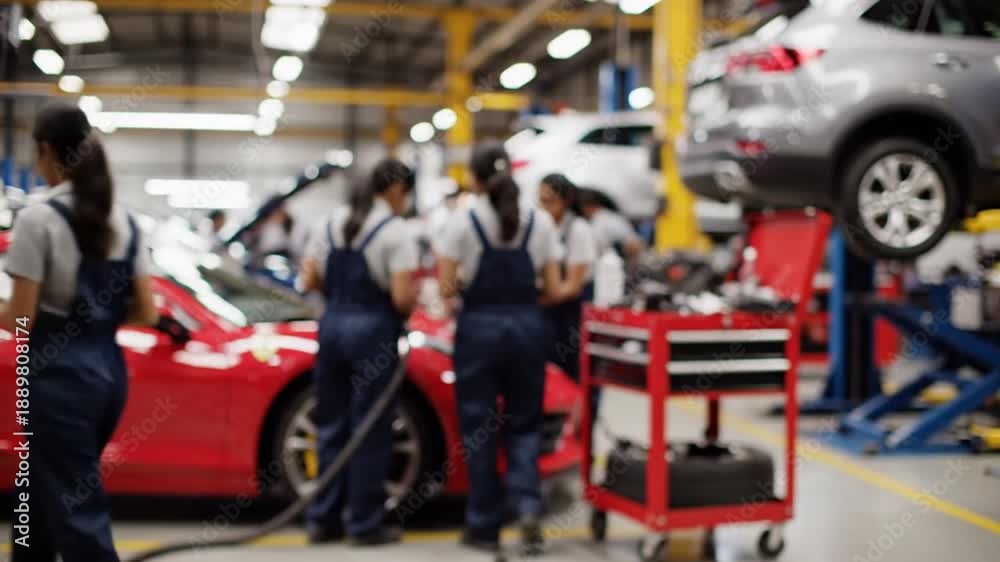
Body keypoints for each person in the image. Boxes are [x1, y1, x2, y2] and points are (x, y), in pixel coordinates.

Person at [2, 104, 159, 562]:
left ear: (46, 150)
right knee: (36, 491)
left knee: (75, 509)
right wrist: (94, 319)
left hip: (57, 376)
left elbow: (21, 319)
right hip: (107, 373)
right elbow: (147, 312)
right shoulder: (125, 222)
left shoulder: (38, 219)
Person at [438, 142, 562, 555]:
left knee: (479, 428)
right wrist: (523, 305)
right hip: (527, 327)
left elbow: (445, 288)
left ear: (474, 178)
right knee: (525, 424)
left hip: (478, 329)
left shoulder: (462, 220)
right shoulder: (540, 222)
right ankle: (528, 509)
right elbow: (554, 285)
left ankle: (484, 526)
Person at [299, 158, 419, 546]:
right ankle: (364, 524)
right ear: (397, 189)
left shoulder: (327, 223)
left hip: (332, 327)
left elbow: (309, 278)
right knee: (370, 427)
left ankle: (322, 519)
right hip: (372, 332)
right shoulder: (396, 231)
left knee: (331, 425)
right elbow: (402, 299)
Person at [537, 173, 598, 381]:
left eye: (548, 201)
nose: (543, 207)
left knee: (574, 371)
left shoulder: (578, 230)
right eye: (540, 201)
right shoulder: (544, 229)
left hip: (573, 314)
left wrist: (540, 299)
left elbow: (573, 286)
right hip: (551, 312)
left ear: (564, 201)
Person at [578, 188, 645, 262]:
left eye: (583, 207)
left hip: (632, 253)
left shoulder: (599, 219)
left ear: (589, 206)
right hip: (632, 251)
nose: (583, 211)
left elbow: (598, 245)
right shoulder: (607, 215)